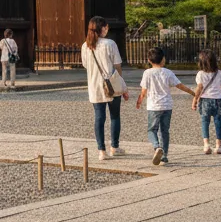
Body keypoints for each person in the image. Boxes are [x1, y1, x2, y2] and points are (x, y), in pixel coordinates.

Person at [135, 46, 193, 166]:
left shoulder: (147, 73)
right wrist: (193, 93)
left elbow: (144, 90)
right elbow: (179, 85)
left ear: (149, 60)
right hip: (167, 106)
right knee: (164, 131)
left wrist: (140, 100)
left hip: (153, 106)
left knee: (152, 130)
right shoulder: (168, 72)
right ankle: (164, 155)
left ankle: (157, 147)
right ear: (163, 59)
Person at [81, 16, 127, 161]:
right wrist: (119, 82)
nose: (107, 29)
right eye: (106, 27)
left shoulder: (85, 46)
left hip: (94, 85)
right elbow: (118, 65)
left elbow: (85, 65)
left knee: (99, 118)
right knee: (115, 116)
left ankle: (101, 150)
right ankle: (114, 147)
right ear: (103, 28)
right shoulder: (110, 43)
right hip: (111, 85)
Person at [193, 49, 221, 155]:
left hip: (205, 100)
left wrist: (194, 100)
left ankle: (206, 145)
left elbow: (199, 88)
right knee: (218, 123)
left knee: (205, 122)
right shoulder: (220, 73)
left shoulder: (200, 74)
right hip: (219, 100)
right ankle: (219, 146)